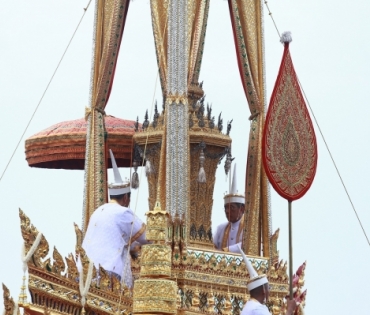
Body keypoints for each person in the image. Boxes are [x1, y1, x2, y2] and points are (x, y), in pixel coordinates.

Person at [82, 149, 149, 288]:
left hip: (86, 272)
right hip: (109, 273)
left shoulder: (98, 211)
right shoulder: (123, 212)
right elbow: (149, 237)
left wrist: (133, 247)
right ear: (125, 198)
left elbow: (114, 240)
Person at [238, 245, 297, 315]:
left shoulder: (253, 306)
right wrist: (290, 309)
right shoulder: (257, 309)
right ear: (263, 290)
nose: (269, 291)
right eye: (268, 288)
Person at [213, 164, 245, 252]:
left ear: (241, 209)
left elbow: (246, 245)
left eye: (232, 208)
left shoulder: (248, 228)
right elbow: (213, 246)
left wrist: (226, 250)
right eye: (226, 208)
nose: (227, 211)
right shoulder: (221, 228)